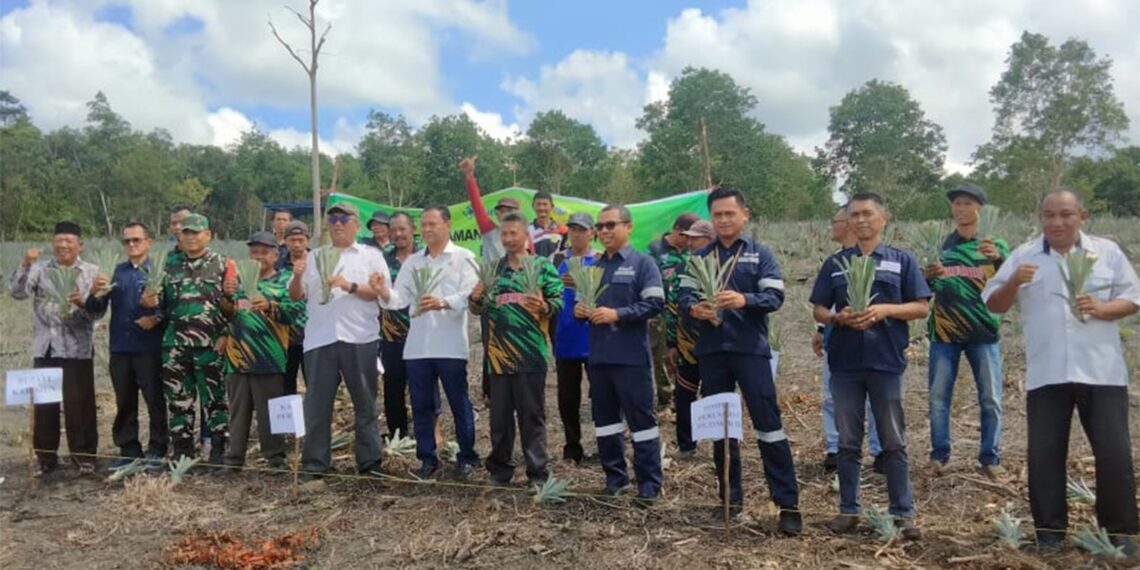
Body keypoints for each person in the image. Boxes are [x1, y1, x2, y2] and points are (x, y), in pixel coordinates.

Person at [983, 188, 1139, 556]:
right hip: (1047, 371)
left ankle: (1123, 533)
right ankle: (1049, 533)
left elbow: (1133, 297)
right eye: (1049, 215)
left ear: (1082, 216)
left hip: (1101, 372)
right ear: (1041, 218)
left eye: (1065, 214)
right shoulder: (1024, 256)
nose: (1056, 222)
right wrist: (1013, 281)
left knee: (1114, 452)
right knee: (1045, 454)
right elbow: (992, 304)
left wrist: (1102, 308)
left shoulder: (1106, 253)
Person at [677, 188, 800, 534]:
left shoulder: (760, 253)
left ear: (744, 215)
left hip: (751, 351)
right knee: (721, 430)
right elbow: (685, 297)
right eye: (717, 215)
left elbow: (775, 296)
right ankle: (729, 499)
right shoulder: (701, 258)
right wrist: (694, 309)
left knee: (769, 427)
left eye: (730, 214)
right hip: (713, 354)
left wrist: (743, 299)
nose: (724, 220)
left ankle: (788, 505)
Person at [809, 193, 929, 540]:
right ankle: (849, 510)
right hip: (845, 362)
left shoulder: (900, 261)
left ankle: (903, 513)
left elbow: (921, 307)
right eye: (854, 215)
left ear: (883, 218)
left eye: (867, 214)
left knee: (893, 440)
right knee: (847, 441)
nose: (860, 220)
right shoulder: (835, 264)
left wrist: (885, 311)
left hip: (885, 361)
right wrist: (836, 318)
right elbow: (819, 309)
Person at [374, 206, 480, 481]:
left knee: (459, 403)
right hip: (418, 346)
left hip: (450, 345)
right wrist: (383, 291)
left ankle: (467, 456)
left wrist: (443, 302)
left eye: (432, 223)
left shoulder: (463, 258)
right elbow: (399, 299)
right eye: (424, 224)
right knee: (421, 405)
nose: (427, 229)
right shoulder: (413, 263)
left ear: (447, 224)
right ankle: (427, 458)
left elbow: (470, 294)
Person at [288, 202, 389, 480]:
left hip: (360, 338)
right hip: (320, 340)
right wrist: (297, 276)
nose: (338, 223)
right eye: (332, 219)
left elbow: (381, 293)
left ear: (356, 223)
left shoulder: (370, 256)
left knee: (365, 404)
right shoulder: (314, 257)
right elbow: (296, 295)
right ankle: (315, 463)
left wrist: (349, 285)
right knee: (317, 406)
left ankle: (369, 462)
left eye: (344, 218)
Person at [573, 205, 664, 504]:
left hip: (631, 359)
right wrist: (579, 311)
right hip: (599, 359)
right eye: (601, 226)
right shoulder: (595, 267)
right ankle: (615, 480)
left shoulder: (643, 264)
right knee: (606, 423)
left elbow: (655, 304)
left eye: (612, 225)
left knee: (642, 424)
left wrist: (618, 314)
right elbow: (583, 306)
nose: (605, 231)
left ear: (629, 227)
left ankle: (649, 485)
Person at [470, 212, 564, 485]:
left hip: (530, 355)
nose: (508, 239)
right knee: (499, 419)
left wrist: (545, 306)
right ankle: (500, 469)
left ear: (525, 236)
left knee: (531, 416)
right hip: (498, 357)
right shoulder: (492, 270)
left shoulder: (541, 267)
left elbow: (558, 301)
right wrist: (475, 298)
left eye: (514, 233)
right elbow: (477, 308)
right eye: (505, 234)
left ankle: (537, 472)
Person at [925, 184, 1009, 479]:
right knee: (938, 397)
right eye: (956, 204)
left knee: (990, 397)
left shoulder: (993, 244)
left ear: (979, 209)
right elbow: (923, 289)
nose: (960, 209)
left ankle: (990, 457)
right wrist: (927, 276)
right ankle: (939, 455)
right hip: (944, 333)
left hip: (983, 333)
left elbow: (1010, 281)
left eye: (967, 203)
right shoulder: (940, 245)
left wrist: (998, 258)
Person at [8, 221, 104, 477]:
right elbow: (17, 293)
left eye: (69, 241)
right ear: (53, 243)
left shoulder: (91, 272)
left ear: (79, 245)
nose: (63, 245)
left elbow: (98, 312)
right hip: (46, 347)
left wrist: (83, 303)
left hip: (77, 349)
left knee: (80, 405)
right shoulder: (40, 270)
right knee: (45, 405)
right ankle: (45, 458)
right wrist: (25, 264)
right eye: (58, 240)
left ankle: (84, 457)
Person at [142, 213, 234, 465]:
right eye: (186, 232)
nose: (191, 237)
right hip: (175, 346)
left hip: (210, 344)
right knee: (178, 400)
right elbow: (159, 302)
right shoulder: (167, 265)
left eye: (196, 232)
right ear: (179, 235)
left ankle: (217, 450)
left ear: (208, 235)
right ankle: (182, 452)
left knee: (215, 399)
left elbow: (235, 305)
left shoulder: (223, 264)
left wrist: (226, 333)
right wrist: (149, 301)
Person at [215, 232, 304, 475]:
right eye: (254, 252)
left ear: (276, 255)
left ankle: (275, 459)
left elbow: (295, 313)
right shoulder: (239, 280)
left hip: (269, 357)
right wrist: (225, 295)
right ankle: (234, 460)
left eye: (264, 252)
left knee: (270, 413)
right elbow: (227, 313)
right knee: (237, 412)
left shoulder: (286, 280)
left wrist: (270, 307)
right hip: (237, 357)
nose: (258, 257)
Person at [85, 222, 167, 471]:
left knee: (155, 400)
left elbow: (173, 310)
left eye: (136, 240)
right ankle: (129, 449)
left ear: (148, 242)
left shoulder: (160, 272)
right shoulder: (115, 273)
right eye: (127, 241)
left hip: (150, 349)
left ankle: (157, 449)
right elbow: (96, 311)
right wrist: (94, 293)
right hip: (120, 347)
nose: (132, 245)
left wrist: (156, 316)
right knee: (125, 401)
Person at [814, 206, 881, 474]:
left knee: (876, 398)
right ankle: (836, 447)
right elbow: (824, 303)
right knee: (833, 395)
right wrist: (822, 328)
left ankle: (880, 451)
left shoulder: (878, 259)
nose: (833, 226)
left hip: (876, 344)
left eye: (836, 220)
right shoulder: (834, 263)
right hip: (838, 340)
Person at [378, 212, 443, 441]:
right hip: (390, 334)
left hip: (422, 331)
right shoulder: (383, 259)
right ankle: (398, 432)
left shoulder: (425, 256)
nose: (397, 234)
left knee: (426, 382)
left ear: (412, 229)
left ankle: (432, 429)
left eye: (402, 229)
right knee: (393, 384)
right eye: (393, 230)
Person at [551, 212, 600, 465]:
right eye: (573, 229)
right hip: (566, 338)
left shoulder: (601, 260)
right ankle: (573, 448)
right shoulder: (557, 259)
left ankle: (604, 444)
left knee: (602, 396)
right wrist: (559, 285)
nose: (577, 234)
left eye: (582, 229)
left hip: (594, 340)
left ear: (592, 232)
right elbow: (544, 289)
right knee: (568, 399)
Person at [672, 219, 713, 458]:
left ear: (708, 239)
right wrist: (670, 343)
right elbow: (673, 306)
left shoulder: (723, 266)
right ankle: (687, 446)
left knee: (715, 395)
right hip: (686, 344)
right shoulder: (683, 268)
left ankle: (717, 446)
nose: (689, 242)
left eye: (695, 238)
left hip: (716, 345)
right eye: (688, 237)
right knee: (684, 394)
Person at [653, 213, 700, 411]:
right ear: (677, 229)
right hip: (661, 313)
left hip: (688, 311)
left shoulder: (693, 252)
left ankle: (685, 397)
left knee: (686, 356)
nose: (690, 240)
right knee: (664, 356)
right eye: (687, 235)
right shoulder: (654, 251)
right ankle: (666, 401)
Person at [279, 220, 310, 395]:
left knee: (314, 383)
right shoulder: (278, 264)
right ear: (285, 240)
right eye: (292, 240)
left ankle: (312, 421)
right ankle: (289, 423)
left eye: (301, 239)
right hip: (285, 335)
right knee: (286, 385)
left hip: (311, 334)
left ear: (307, 240)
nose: (297, 244)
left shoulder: (318, 262)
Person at [529, 191, 567, 258]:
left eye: (545, 204)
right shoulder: (526, 231)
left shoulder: (562, 230)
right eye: (538, 204)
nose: (541, 208)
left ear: (552, 207)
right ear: (533, 206)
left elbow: (566, 253)